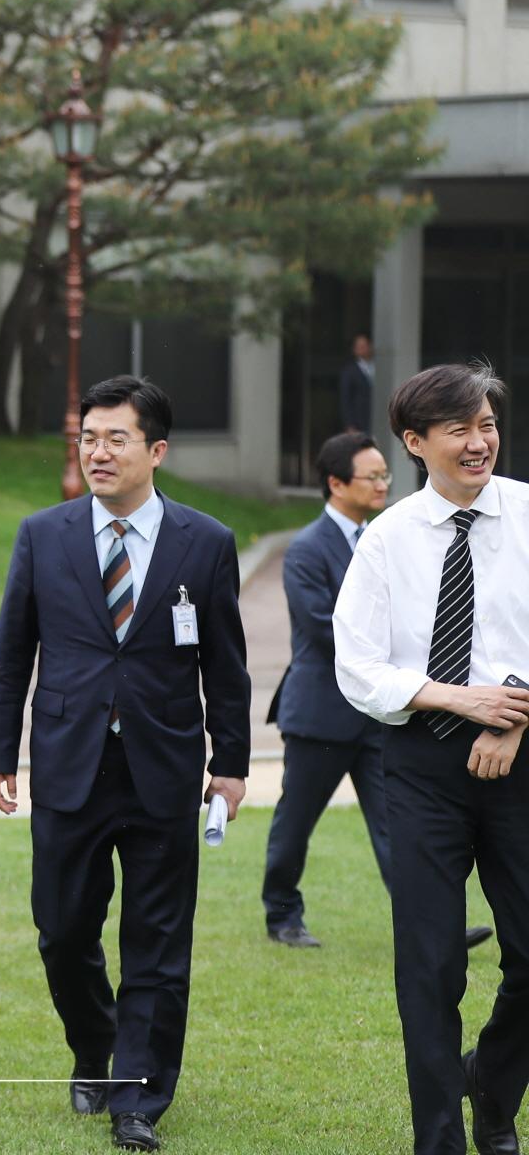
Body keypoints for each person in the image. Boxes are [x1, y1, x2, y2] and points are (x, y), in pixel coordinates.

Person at [0, 374, 249, 1153]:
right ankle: (93, 1049)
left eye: (115, 439)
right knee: (63, 932)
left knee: (158, 942)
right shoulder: (44, 534)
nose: (97, 452)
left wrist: (231, 761)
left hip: (164, 765)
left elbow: (227, 666)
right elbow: (10, 657)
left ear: (155, 450)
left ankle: (139, 1096)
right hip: (69, 763)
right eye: (88, 438)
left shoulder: (206, 541)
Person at [334, 362, 529, 1155]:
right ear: (416, 443)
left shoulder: (526, 515)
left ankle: (492, 1082)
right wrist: (458, 699)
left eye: (486, 425)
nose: (480, 441)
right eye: (460, 429)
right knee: (430, 966)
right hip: (420, 767)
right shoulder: (386, 539)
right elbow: (358, 665)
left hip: (521, 761)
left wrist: (512, 714)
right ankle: (440, 1141)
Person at [340, 333, 376, 434]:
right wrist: (349, 424)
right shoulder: (349, 371)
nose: (362, 349)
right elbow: (346, 399)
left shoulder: (380, 366)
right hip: (359, 422)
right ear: (354, 350)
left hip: (378, 419)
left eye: (364, 346)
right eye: (359, 347)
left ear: (370, 347)